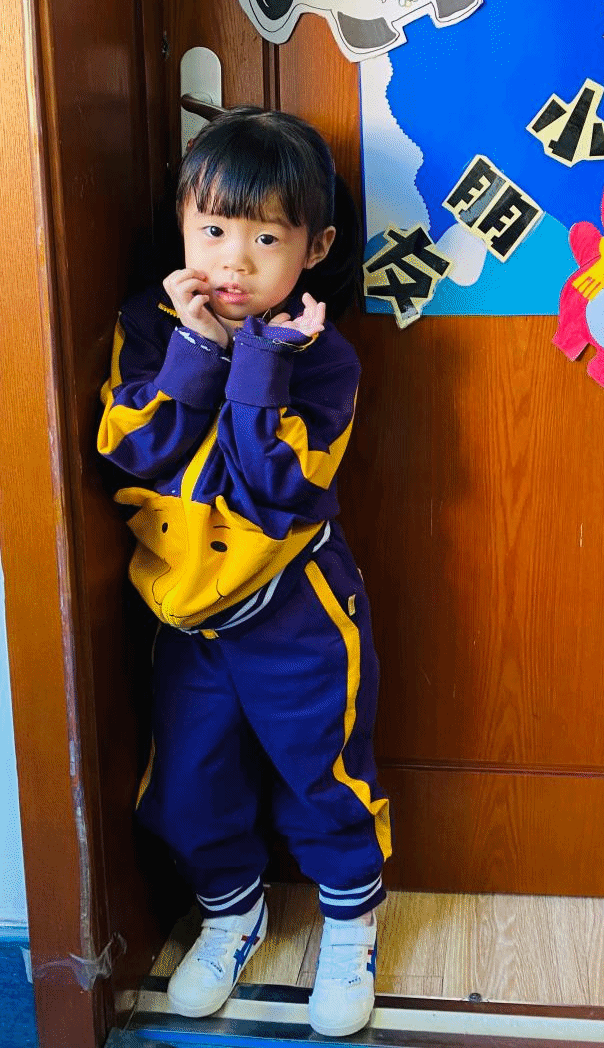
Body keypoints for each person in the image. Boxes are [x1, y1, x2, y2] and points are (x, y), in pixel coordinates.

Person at [97, 107, 390, 1037]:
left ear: (315, 247)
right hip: (189, 613)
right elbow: (132, 449)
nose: (235, 261)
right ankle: (233, 912)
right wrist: (198, 352)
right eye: (215, 229)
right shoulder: (149, 327)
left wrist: (259, 360)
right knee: (185, 784)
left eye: (267, 238)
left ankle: (351, 926)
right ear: (183, 224)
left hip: (296, 607)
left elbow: (280, 487)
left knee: (322, 770)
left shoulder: (324, 357)